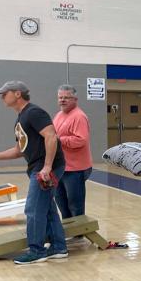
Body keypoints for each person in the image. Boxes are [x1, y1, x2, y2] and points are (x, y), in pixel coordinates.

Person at [0, 81, 67, 265]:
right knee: (47, 208)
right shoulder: (21, 118)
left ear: (18, 94)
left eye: (5, 93)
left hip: (45, 167)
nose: (2, 96)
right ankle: (59, 247)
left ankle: (36, 251)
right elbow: (20, 149)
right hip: (38, 167)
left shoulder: (34, 113)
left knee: (33, 209)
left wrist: (47, 167)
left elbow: (51, 136)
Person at [52, 84, 93, 220]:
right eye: (60, 97)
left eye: (66, 97)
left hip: (75, 169)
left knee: (75, 205)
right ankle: (69, 231)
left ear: (75, 99)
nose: (62, 100)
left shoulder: (79, 116)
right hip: (60, 167)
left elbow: (81, 140)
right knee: (61, 202)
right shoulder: (59, 115)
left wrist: (59, 139)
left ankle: (79, 234)